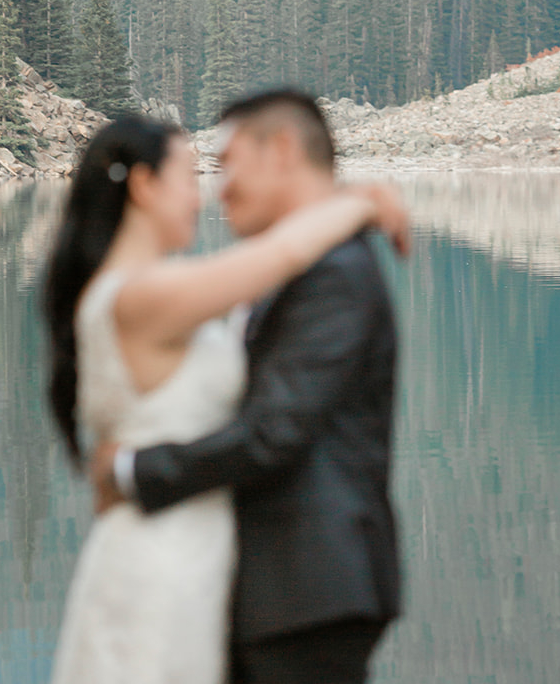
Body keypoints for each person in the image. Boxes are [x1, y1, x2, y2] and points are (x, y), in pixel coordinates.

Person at [43, 102, 409, 684]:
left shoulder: (163, 290)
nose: (206, 195)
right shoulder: (147, 295)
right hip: (168, 559)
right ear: (143, 186)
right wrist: (359, 203)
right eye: (191, 177)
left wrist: (136, 469)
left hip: (212, 559)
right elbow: (281, 256)